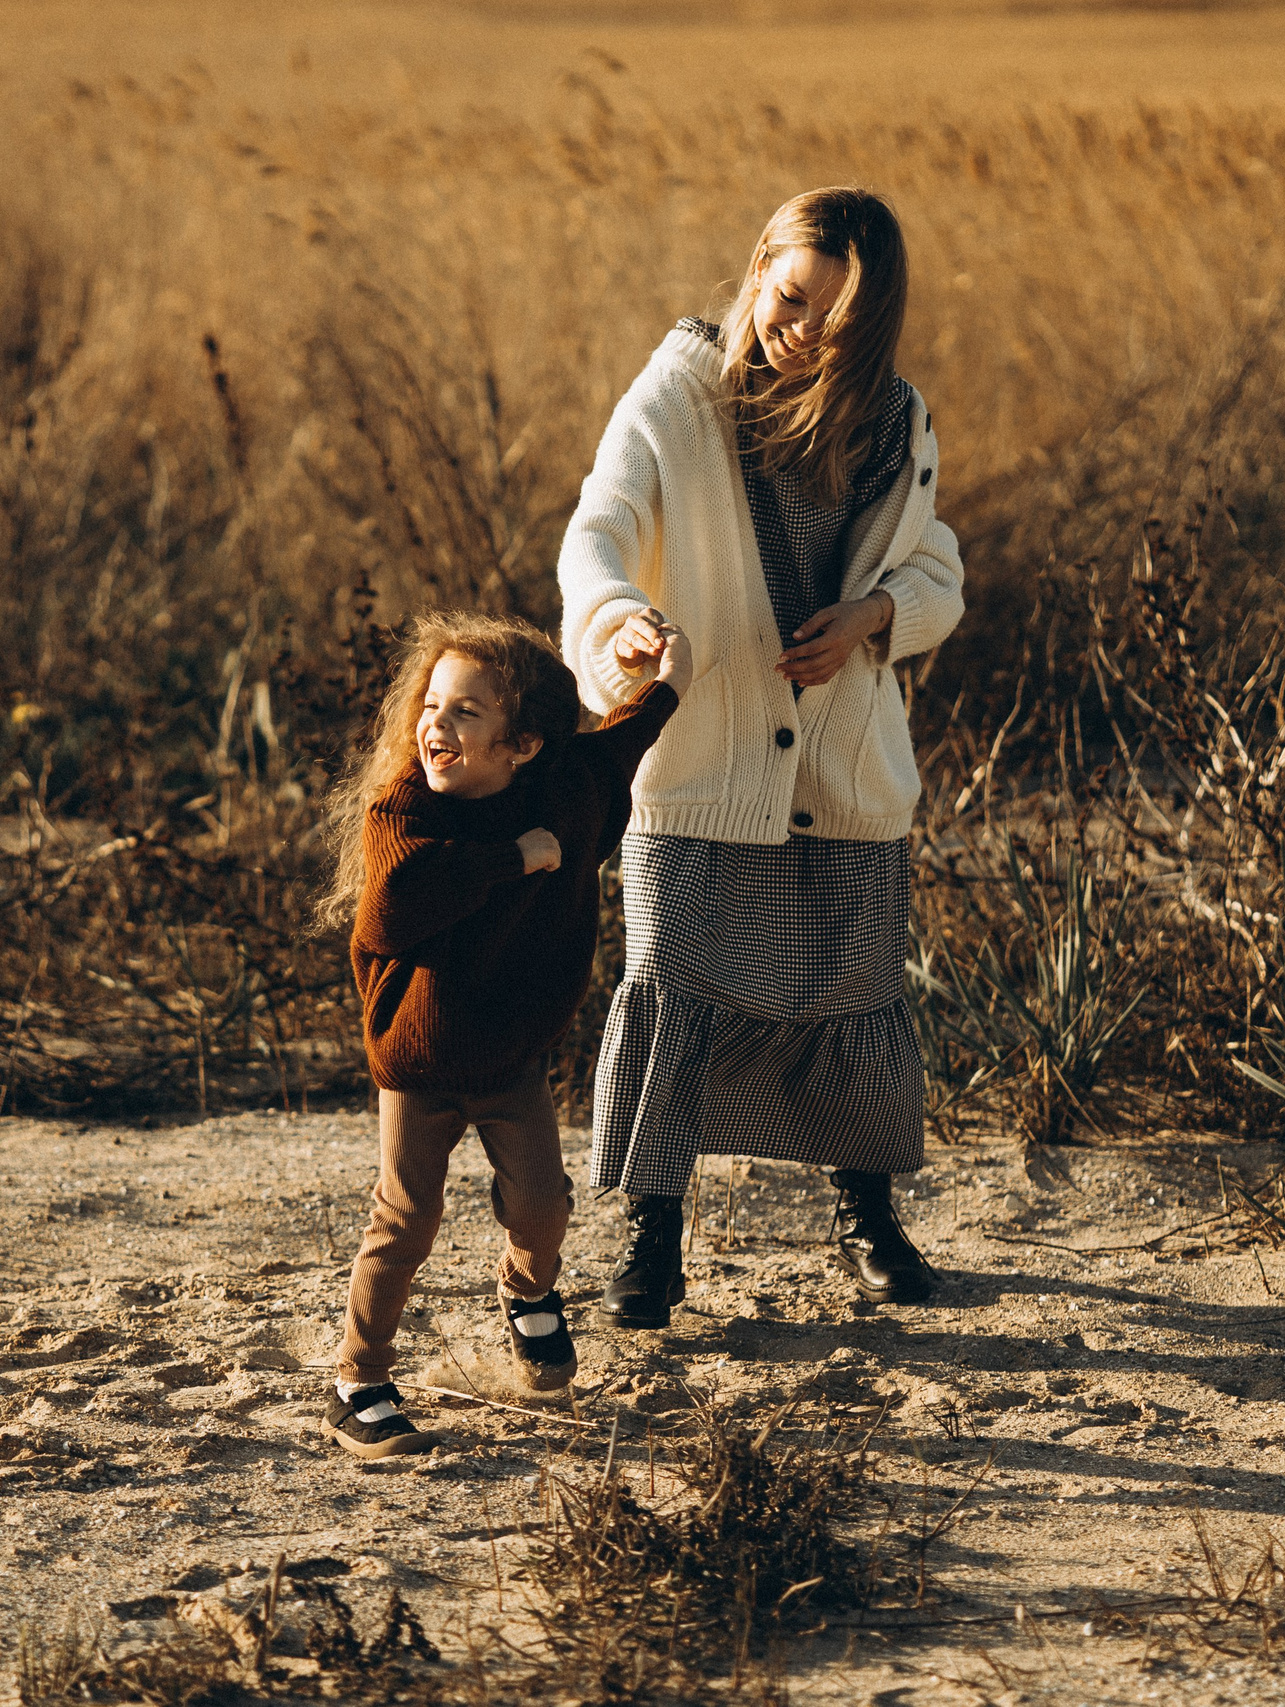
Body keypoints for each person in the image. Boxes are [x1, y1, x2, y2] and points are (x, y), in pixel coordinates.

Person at [557, 185, 965, 1328]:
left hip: (841, 767)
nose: (800, 335)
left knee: (849, 990)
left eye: (834, 326)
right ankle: (650, 1236)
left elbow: (935, 564)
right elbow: (598, 530)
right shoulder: (680, 397)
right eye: (789, 301)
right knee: (670, 982)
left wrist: (877, 616)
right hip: (701, 758)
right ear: (757, 270)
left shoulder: (892, 420)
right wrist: (619, 624)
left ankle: (867, 1214)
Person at [317, 611, 689, 1458]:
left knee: (541, 1203)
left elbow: (616, 747)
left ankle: (528, 1295)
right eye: (432, 704)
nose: (433, 727)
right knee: (405, 1221)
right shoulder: (402, 807)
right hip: (417, 1063)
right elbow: (394, 905)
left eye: (463, 713)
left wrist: (669, 682)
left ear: (521, 745)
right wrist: (513, 859)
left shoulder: (559, 792)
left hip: (511, 1059)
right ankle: (358, 1380)